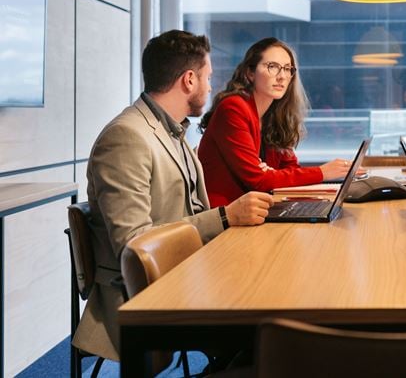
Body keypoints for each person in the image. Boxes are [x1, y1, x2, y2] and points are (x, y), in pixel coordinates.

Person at [73, 30, 274, 362]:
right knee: (268, 321)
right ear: (189, 80)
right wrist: (225, 218)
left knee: (268, 287)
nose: (211, 87)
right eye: (208, 78)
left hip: (192, 271)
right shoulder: (126, 137)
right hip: (149, 294)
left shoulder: (173, 131)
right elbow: (134, 247)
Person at [198, 37, 352, 207]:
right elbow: (258, 180)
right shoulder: (233, 108)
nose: (282, 76)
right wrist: (323, 172)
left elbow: (292, 169)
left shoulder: (273, 115)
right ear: (250, 73)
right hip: (228, 218)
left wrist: (273, 175)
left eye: (287, 69)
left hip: (260, 211)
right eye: (272, 67)